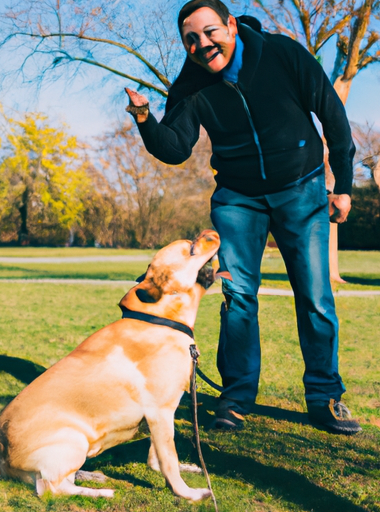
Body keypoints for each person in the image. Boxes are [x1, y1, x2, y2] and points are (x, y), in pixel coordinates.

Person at [125, 0, 361, 435]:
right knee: (239, 299)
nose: (202, 44)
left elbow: (331, 112)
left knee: (314, 296)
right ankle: (235, 398)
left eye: (210, 31)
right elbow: (175, 148)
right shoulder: (191, 85)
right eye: (191, 39)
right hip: (238, 199)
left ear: (231, 25)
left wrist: (343, 184)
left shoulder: (282, 53)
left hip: (301, 189)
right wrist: (144, 117)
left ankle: (325, 397)